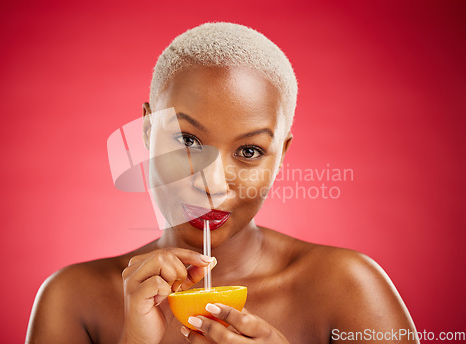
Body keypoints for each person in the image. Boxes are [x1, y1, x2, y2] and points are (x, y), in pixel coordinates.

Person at [26, 22, 418, 344]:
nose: (212, 185)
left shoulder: (347, 288)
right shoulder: (74, 300)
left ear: (282, 155)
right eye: (188, 141)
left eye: (249, 151)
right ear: (147, 132)